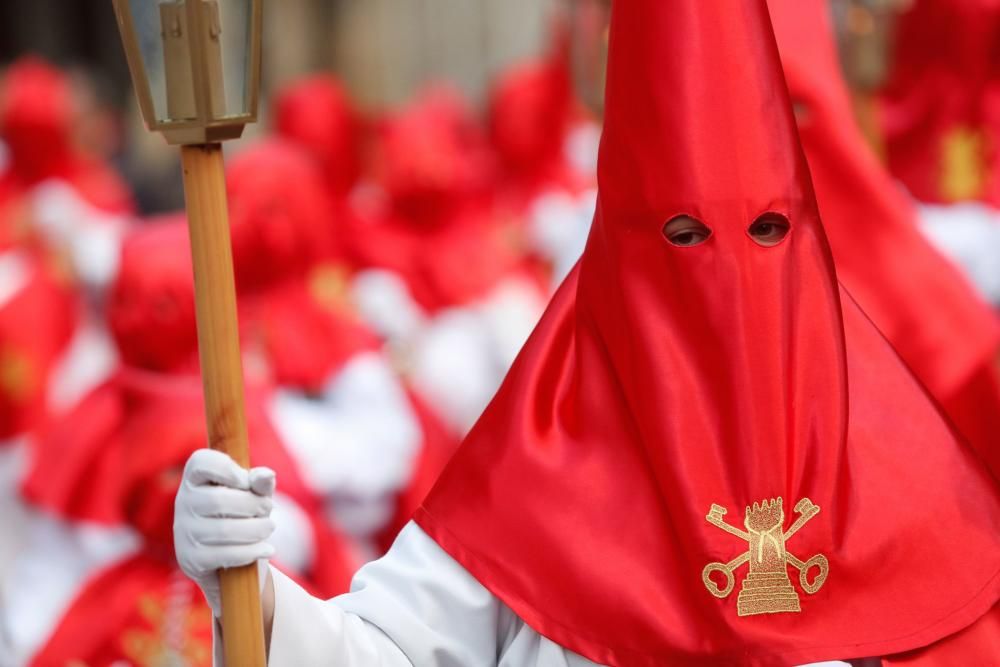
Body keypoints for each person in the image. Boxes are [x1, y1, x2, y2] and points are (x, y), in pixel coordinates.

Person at [174, 0, 1000, 664]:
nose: (725, 277)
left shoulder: (904, 476)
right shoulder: (540, 456)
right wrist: (254, 591)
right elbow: (382, 648)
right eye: (682, 237)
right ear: (617, 256)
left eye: (768, 234)